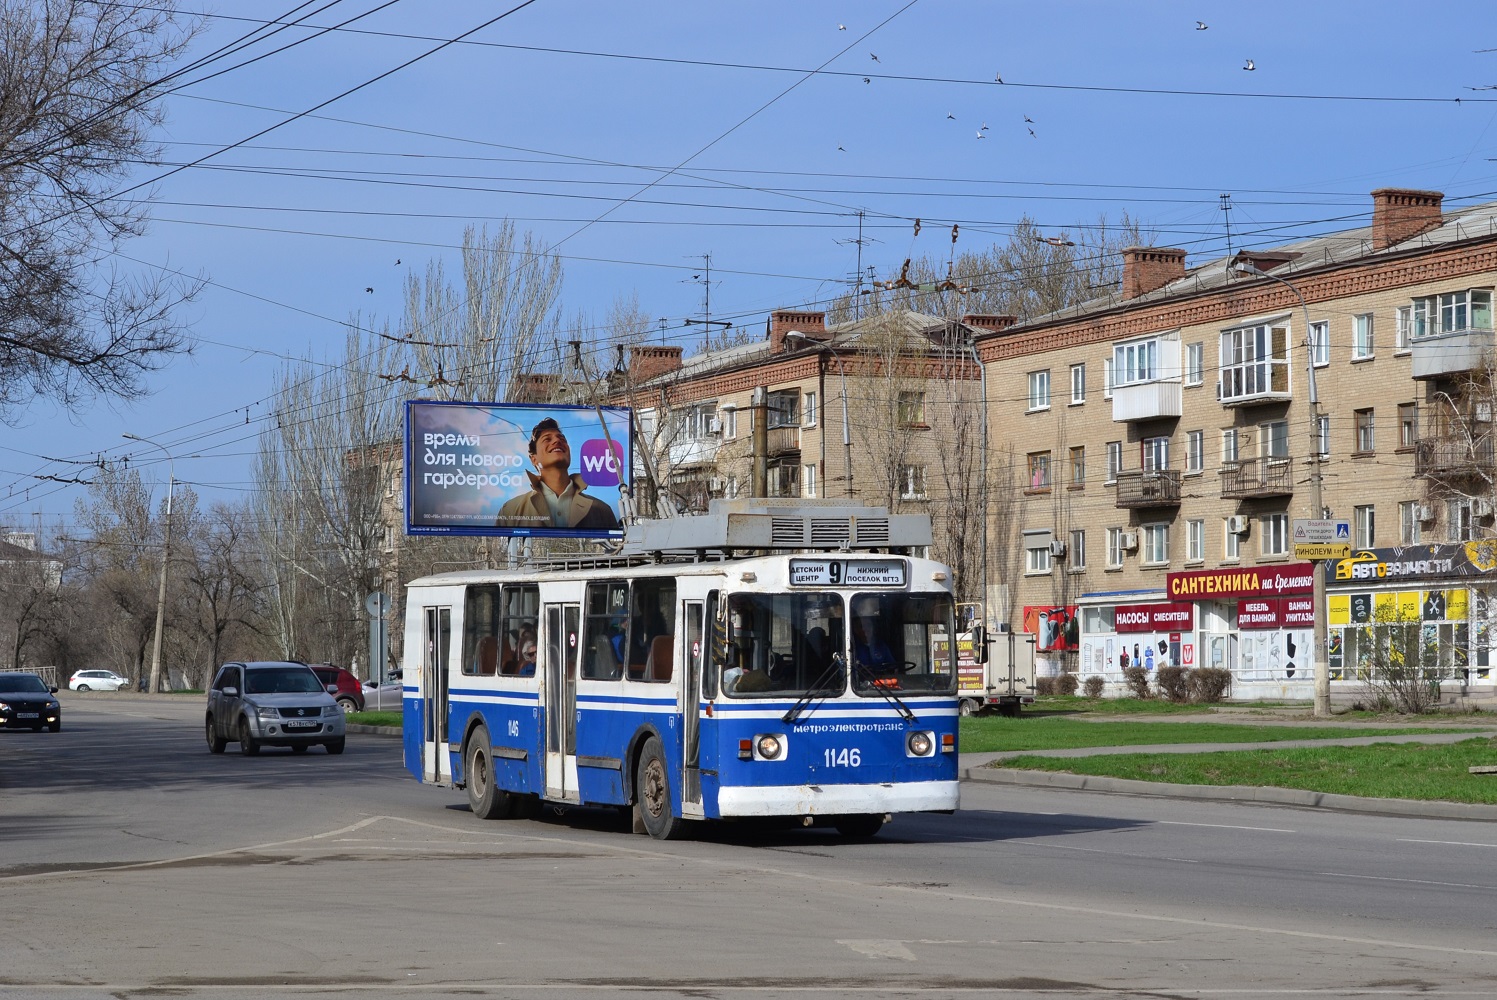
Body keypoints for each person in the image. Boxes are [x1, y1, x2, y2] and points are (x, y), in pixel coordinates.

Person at [496, 418, 620, 531]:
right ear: (534, 459)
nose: (557, 441)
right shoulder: (510, 510)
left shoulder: (602, 510)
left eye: (562, 439)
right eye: (547, 439)